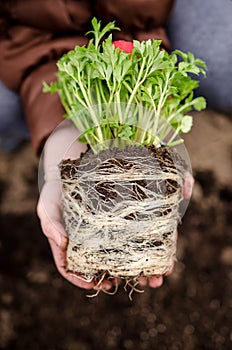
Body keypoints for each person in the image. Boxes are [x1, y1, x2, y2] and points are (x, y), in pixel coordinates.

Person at [0, 0, 230, 290]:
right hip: (30, 39)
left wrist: (148, 103)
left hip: (145, 16)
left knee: (223, 59)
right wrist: (62, 135)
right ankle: (18, 132)